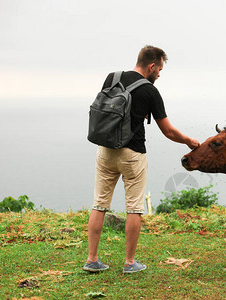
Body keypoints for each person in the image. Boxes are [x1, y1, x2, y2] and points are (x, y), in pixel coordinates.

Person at [83, 45, 199, 274]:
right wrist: (188, 141)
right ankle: (129, 262)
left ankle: (92, 259)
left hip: (105, 150)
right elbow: (168, 131)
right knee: (134, 208)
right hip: (132, 154)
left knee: (99, 204)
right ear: (152, 65)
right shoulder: (150, 92)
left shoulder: (112, 78)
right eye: (159, 70)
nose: (159, 75)